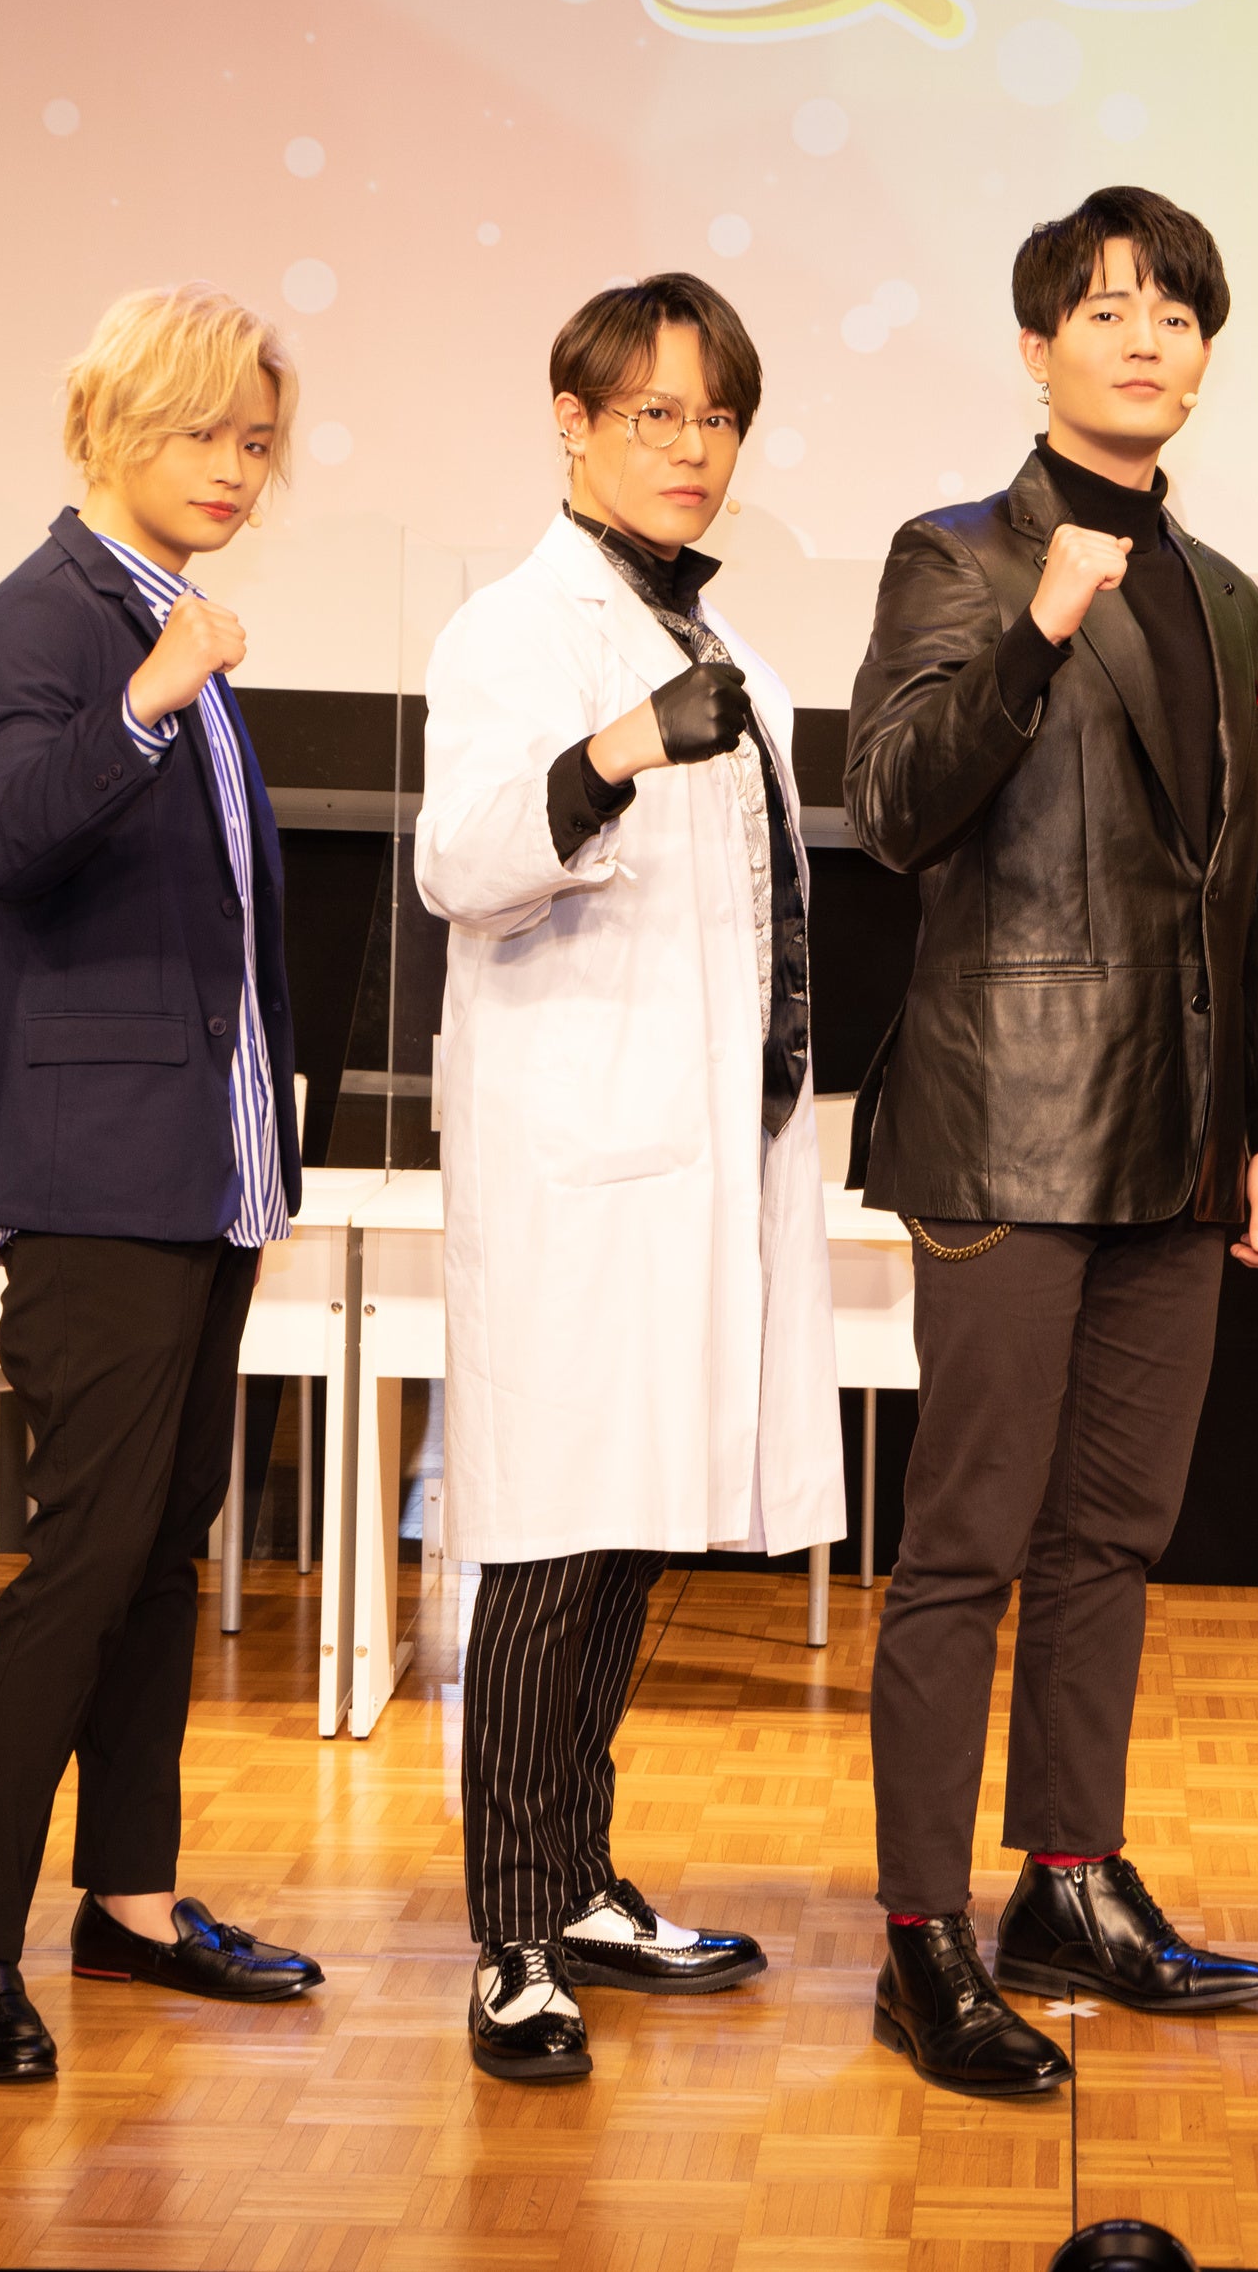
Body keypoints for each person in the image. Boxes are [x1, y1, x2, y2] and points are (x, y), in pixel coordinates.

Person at [844, 184, 1258, 2098]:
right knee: (963, 1545)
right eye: (1106, 309)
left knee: (1112, 1533)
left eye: (1174, 313)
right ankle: (920, 1934)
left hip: (1181, 1143)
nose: (1143, 338)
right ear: (1037, 347)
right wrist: (1032, 637)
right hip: (1007, 1122)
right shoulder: (959, 556)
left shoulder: (1232, 597)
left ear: (1205, 357)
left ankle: (1067, 1879)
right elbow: (892, 805)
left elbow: (1254, 880)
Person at [411, 273, 845, 2084]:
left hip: (694, 1168)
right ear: (573, 422)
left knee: (634, 1526)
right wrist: (613, 750)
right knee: (547, 1534)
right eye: (656, 412)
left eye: (718, 416)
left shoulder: (728, 650)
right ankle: (513, 1934)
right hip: (575, 1168)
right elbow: (458, 858)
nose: (693, 447)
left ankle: (580, 1879)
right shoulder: (515, 631)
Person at [0, 282, 324, 2085]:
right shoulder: (54, 613)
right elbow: (4, 838)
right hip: (96, 1177)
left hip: (202, 1169)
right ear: (110, 423)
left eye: (256, 441)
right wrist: (149, 705)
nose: (232, 467)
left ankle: (131, 1899)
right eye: (199, 431)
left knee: (161, 1547)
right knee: (81, 1559)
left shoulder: (172, 618)